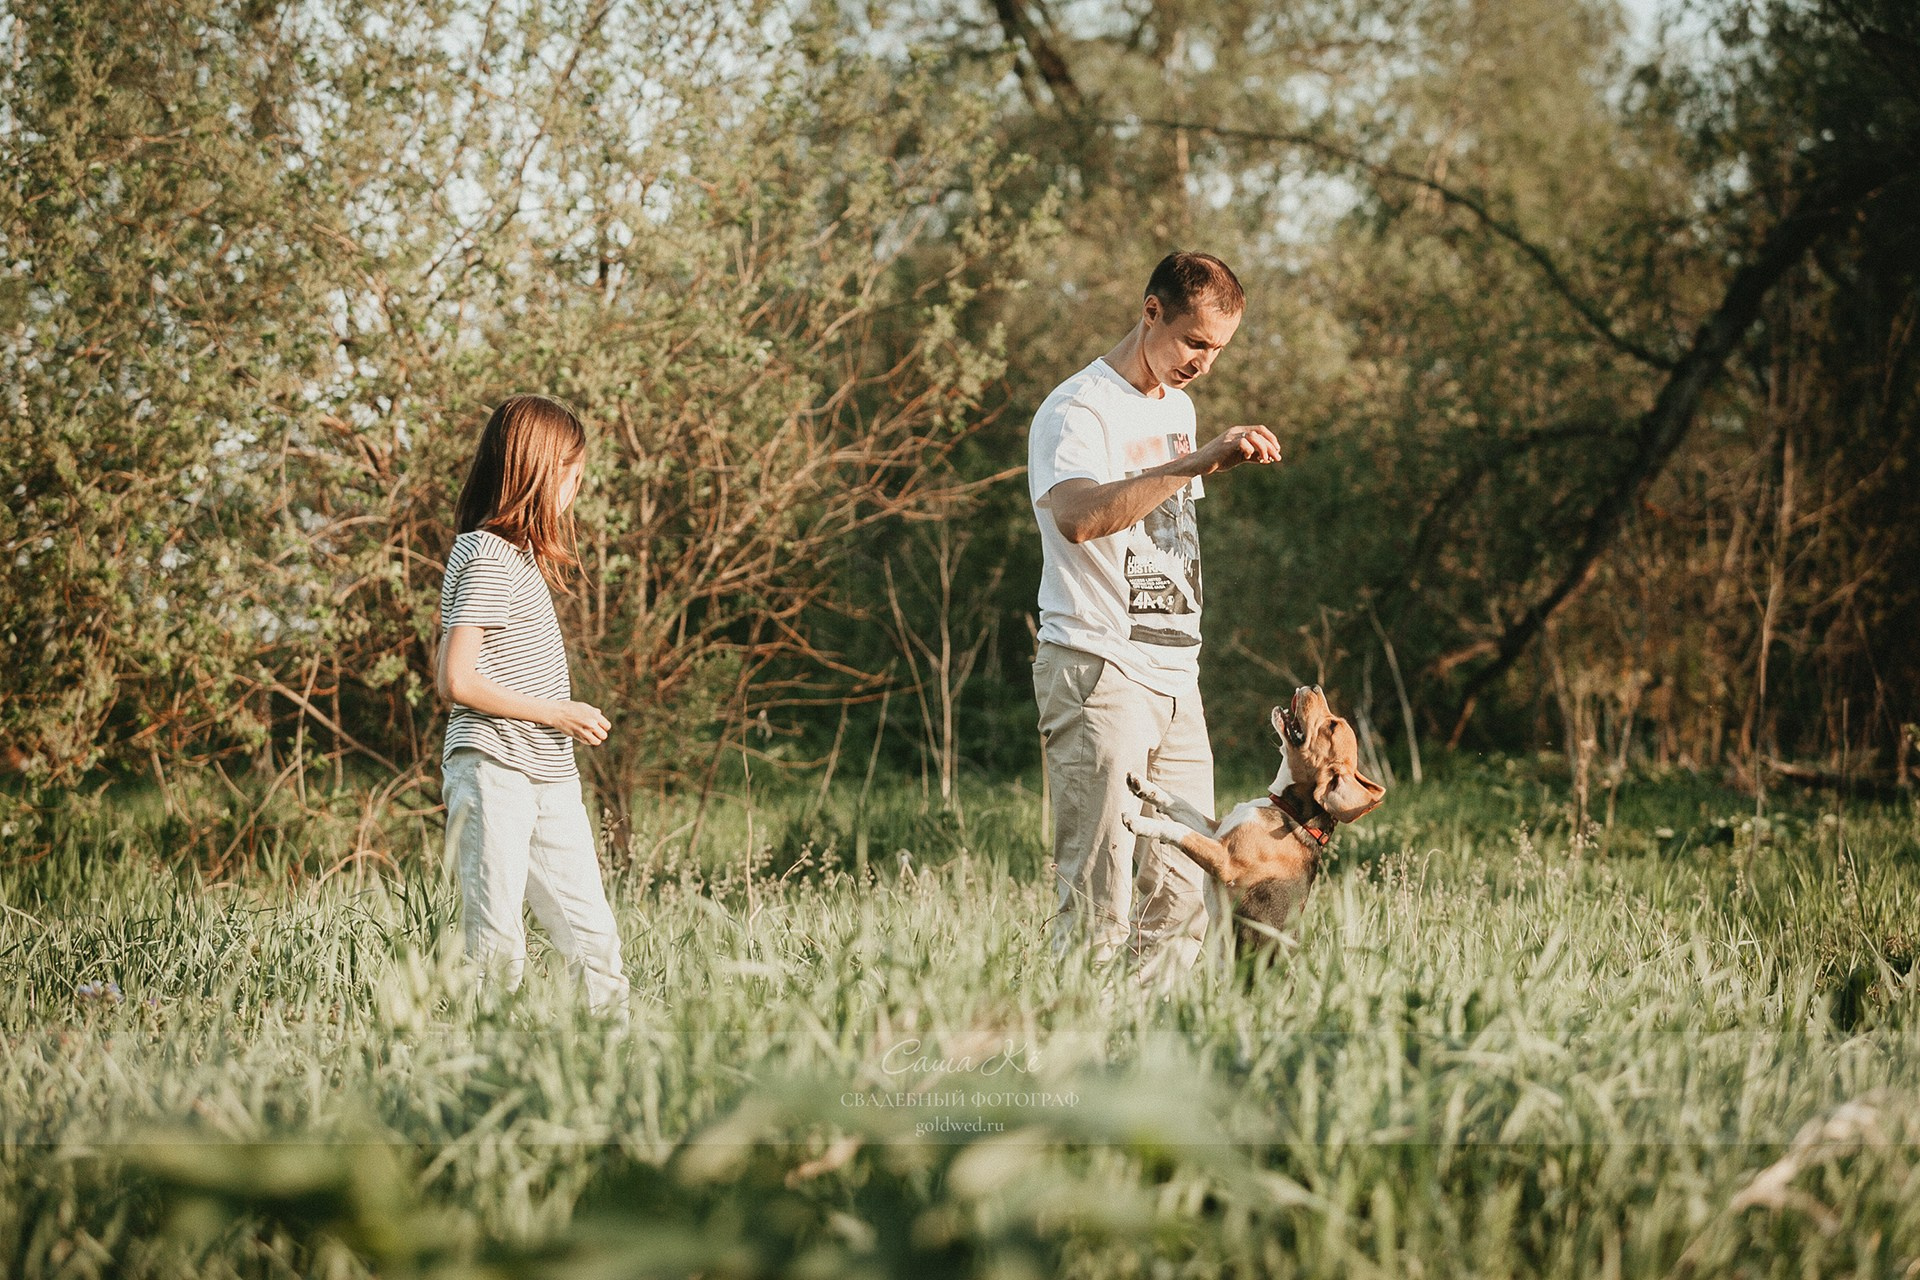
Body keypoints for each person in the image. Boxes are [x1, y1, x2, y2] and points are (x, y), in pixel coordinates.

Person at [1027, 252, 1282, 983]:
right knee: (1098, 896)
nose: (1203, 362)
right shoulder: (1079, 410)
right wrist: (1196, 463)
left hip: (1175, 678)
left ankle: (1147, 1045)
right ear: (1150, 313)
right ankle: (1073, 1040)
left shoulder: (1176, 407)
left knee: (1185, 895)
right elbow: (1078, 518)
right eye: (1194, 341)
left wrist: (1196, 459)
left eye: (1218, 349)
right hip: (1099, 669)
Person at [436, 394, 630, 1014]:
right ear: (540, 472)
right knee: (496, 947)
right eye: (572, 475)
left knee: (593, 939)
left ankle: (616, 1059)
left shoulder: (517, 559)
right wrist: (558, 713)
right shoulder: (488, 554)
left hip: (547, 772)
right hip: (494, 768)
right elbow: (455, 680)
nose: (576, 490)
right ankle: (486, 1062)